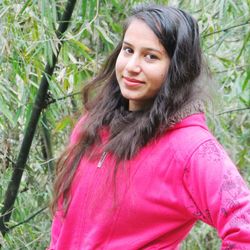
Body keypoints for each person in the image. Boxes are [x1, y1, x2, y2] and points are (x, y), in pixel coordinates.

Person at [48, 4, 250, 250]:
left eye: (151, 56)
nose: (132, 66)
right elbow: (63, 214)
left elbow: (244, 227)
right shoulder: (92, 124)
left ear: (177, 69)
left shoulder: (190, 148)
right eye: (128, 50)